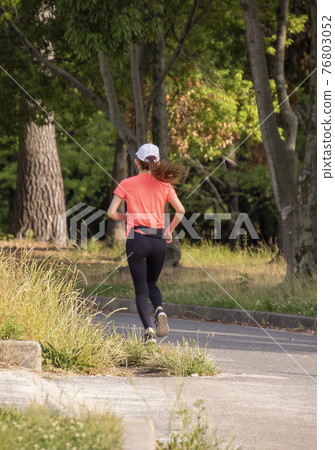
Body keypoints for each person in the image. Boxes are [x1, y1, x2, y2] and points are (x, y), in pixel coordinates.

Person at [107, 143, 185, 344]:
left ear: (136, 162)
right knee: (152, 284)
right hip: (159, 240)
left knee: (141, 289)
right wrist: (168, 230)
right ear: (156, 162)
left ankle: (149, 332)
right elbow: (181, 211)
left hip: (137, 239)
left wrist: (128, 218)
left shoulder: (126, 183)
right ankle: (160, 310)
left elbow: (111, 213)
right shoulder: (165, 185)